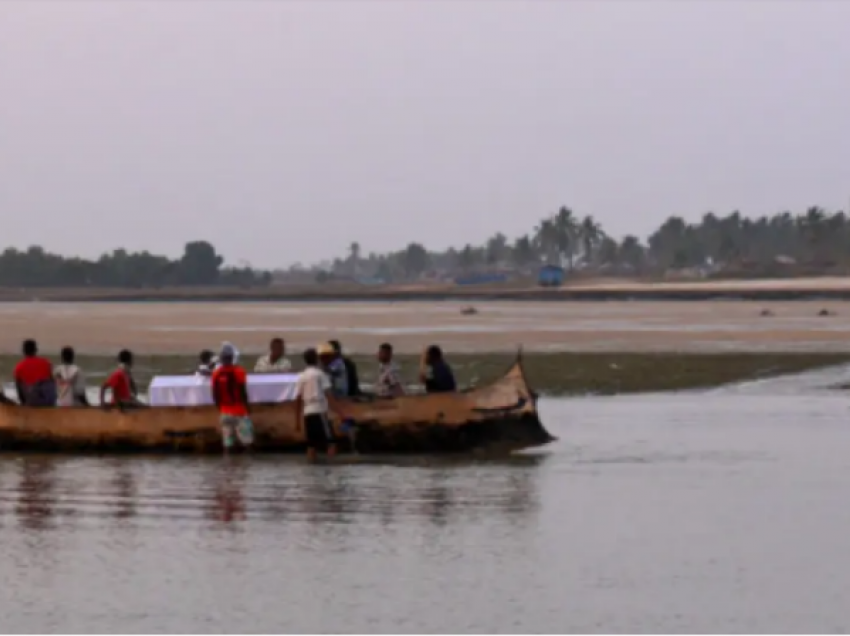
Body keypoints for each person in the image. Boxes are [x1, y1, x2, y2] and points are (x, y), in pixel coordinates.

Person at [295, 347, 342, 461]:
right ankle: (330, 468)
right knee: (331, 442)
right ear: (317, 359)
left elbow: (298, 398)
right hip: (320, 411)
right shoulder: (320, 374)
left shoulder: (301, 376)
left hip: (307, 413)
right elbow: (328, 395)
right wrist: (340, 413)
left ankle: (311, 470)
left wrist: (297, 421)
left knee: (311, 445)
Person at [211, 343, 254, 453]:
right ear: (232, 357)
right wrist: (248, 408)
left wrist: (220, 408)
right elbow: (242, 392)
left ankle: (228, 466)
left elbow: (215, 394)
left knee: (227, 443)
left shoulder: (216, 373)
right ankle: (247, 466)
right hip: (240, 411)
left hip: (224, 412)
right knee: (247, 442)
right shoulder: (239, 371)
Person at [13, 339, 56, 406]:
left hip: (32, 400)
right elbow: (52, 381)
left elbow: (19, 388)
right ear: (36, 350)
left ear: (24, 351)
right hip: (48, 400)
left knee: (23, 384)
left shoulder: (19, 367)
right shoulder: (46, 363)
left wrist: (23, 402)